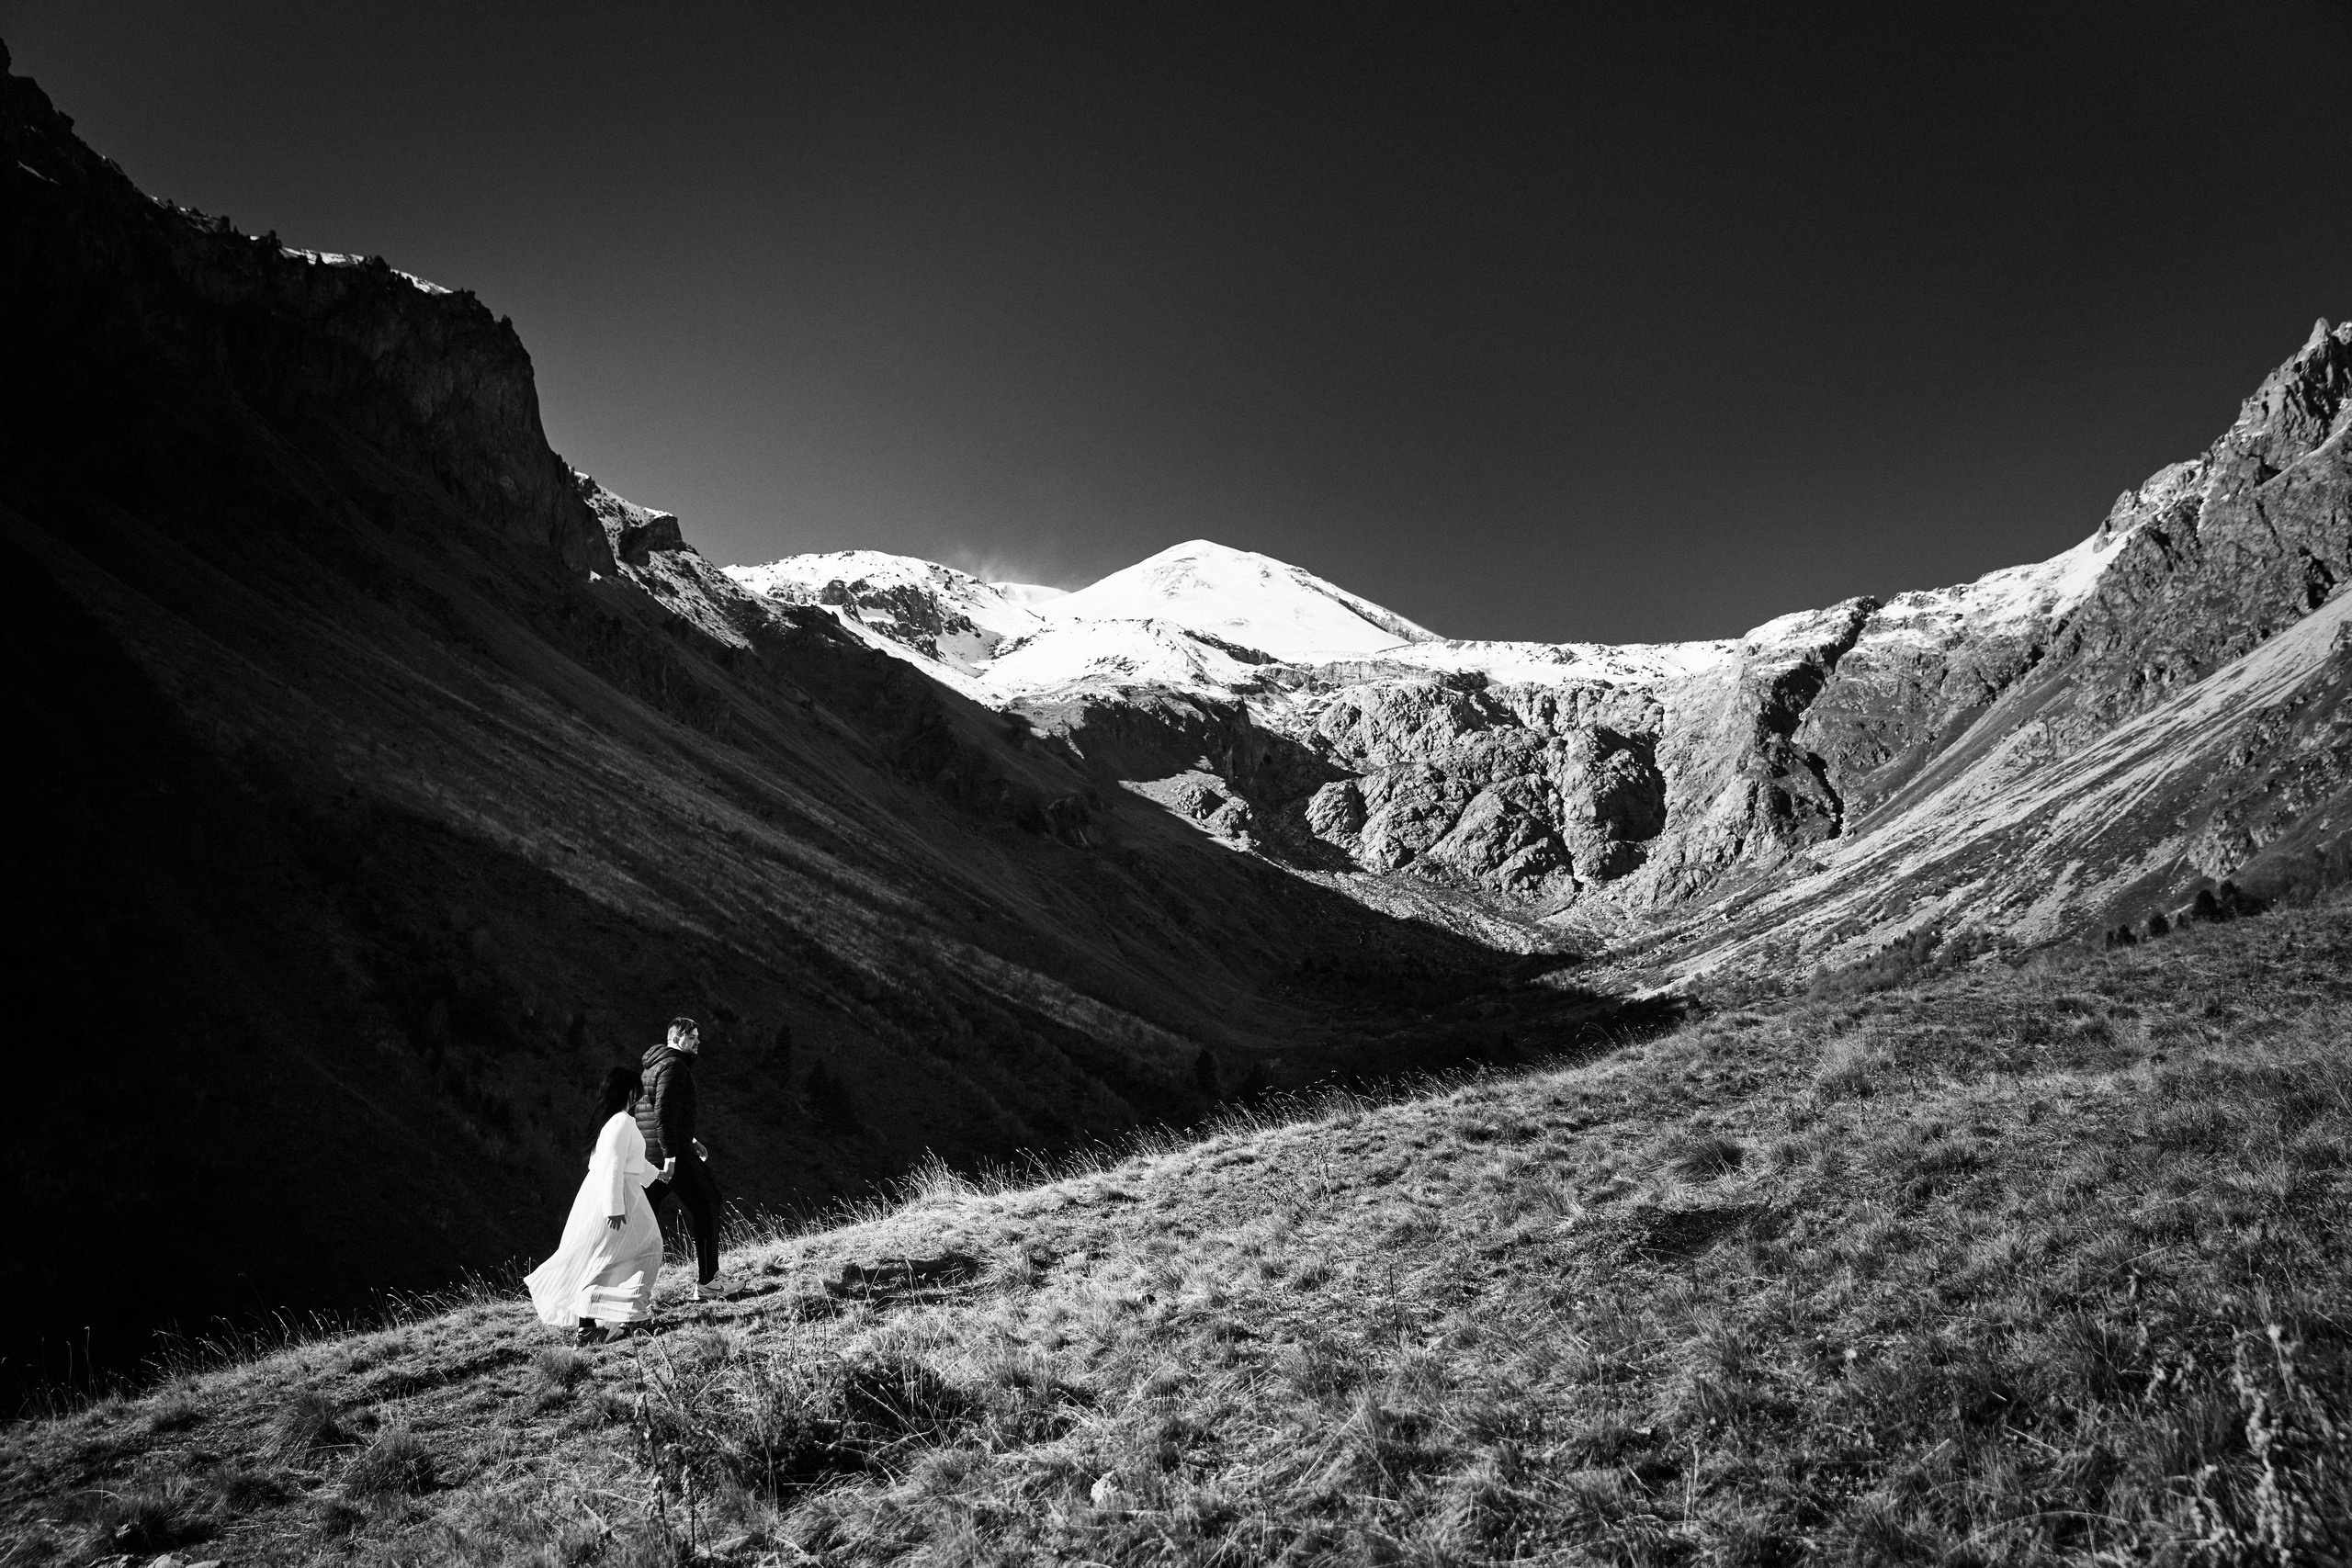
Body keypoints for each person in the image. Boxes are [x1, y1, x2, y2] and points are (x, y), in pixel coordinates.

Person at [525, 1066, 662, 1343]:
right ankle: (630, 1315)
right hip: (619, 1194)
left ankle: (591, 1323)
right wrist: (614, 1207)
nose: (639, 1096)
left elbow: (623, 1161)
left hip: (610, 1191)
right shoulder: (622, 1122)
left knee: (602, 1255)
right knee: (648, 1247)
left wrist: (657, 1175)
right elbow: (613, 1165)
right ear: (628, 1091)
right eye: (636, 1090)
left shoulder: (611, 1121)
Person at [639, 1017, 722, 1300]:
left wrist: (691, 1139)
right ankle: (710, 1281)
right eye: (691, 1038)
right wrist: (672, 1156)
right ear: (675, 1040)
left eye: (698, 1037)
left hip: (652, 1154)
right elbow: (662, 1115)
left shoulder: (653, 1066)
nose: (697, 1042)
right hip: (670, 1156)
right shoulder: (674, 1067)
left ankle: (630, 1294)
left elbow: (652, 1111)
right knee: (708, 1201)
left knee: (642, 1222)